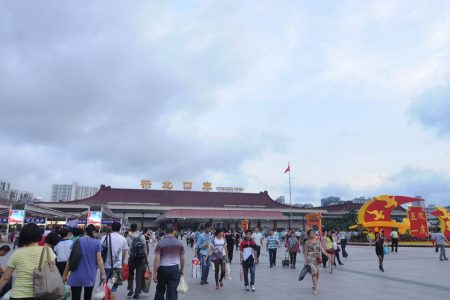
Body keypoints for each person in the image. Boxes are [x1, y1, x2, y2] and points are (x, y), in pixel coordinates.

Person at [0, 223, 57, 299]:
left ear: (22, 236)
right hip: (42, 294)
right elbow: (53, 271)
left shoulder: (17, 253)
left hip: (19, 294)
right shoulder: (48, 251)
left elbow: (5, 277)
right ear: (39, 235)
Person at [63, 224, 107, 300]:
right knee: (87, 296)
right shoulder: (97, 243)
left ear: (85, 231)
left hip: (76, 274)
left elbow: (70, 259)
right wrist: (103, 274)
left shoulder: (77, 240)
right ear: (94, 232)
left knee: (75, 297)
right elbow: (99, 260)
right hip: (90, 274)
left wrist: (64, 275)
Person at [101, 222, 128, 300]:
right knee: (113, 287)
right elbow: (124, 252)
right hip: (116, 268)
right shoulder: (123, 239)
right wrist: (121, 262)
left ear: (111, 228)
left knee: (104, 285)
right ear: (119, 229)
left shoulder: (105, 237)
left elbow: (100, 251)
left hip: (105, 267)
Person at [126, 223, 149, 299]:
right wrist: (147, 258)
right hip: (141, 259)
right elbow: (145, 248)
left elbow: (127, 247)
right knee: (139, 276)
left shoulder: (128, 236)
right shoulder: (141, 236)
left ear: (131, 229)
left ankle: (130, 289)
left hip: (132, 258)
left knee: (130, 274)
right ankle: (137, 293)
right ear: (137, 228)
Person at [304, 229, 321, 295]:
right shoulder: (307, 242)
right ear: (308, 234)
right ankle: (316, 288)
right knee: (314, 273)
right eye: (311, 233)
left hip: (318, 258)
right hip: (311, 258)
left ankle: (314, 284)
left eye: (313, 233)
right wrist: (305, 261)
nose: (312, 234)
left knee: (318, 273)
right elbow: (305, 252)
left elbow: (321, 248)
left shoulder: (318, 241)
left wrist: (327, 254)